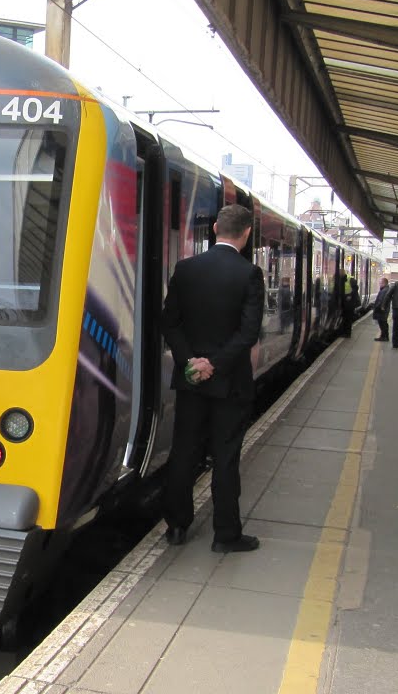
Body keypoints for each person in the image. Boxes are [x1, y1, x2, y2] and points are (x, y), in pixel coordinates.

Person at [159, 204, 264, 554]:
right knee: (226, 457)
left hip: (191, 381)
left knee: (184, 451)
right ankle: (226, 535)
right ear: (246, 234)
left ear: (216, 228)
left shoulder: (186, 269)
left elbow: (169, 322)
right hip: (230, 384)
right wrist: (215, 364)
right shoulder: (249, 274)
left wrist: (192, 362)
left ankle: (177, 526)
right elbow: (248, 333)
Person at [370, 276, 393, 341]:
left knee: (382, 324)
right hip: (384, 310)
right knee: (383, 323)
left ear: (384, 283)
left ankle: (384, 337)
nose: (379, 284)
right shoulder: (385, 289)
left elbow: (380, 301)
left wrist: (375, 307)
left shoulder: (384, 290)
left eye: (380, 283)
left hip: (382, 310)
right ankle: (384, 336)